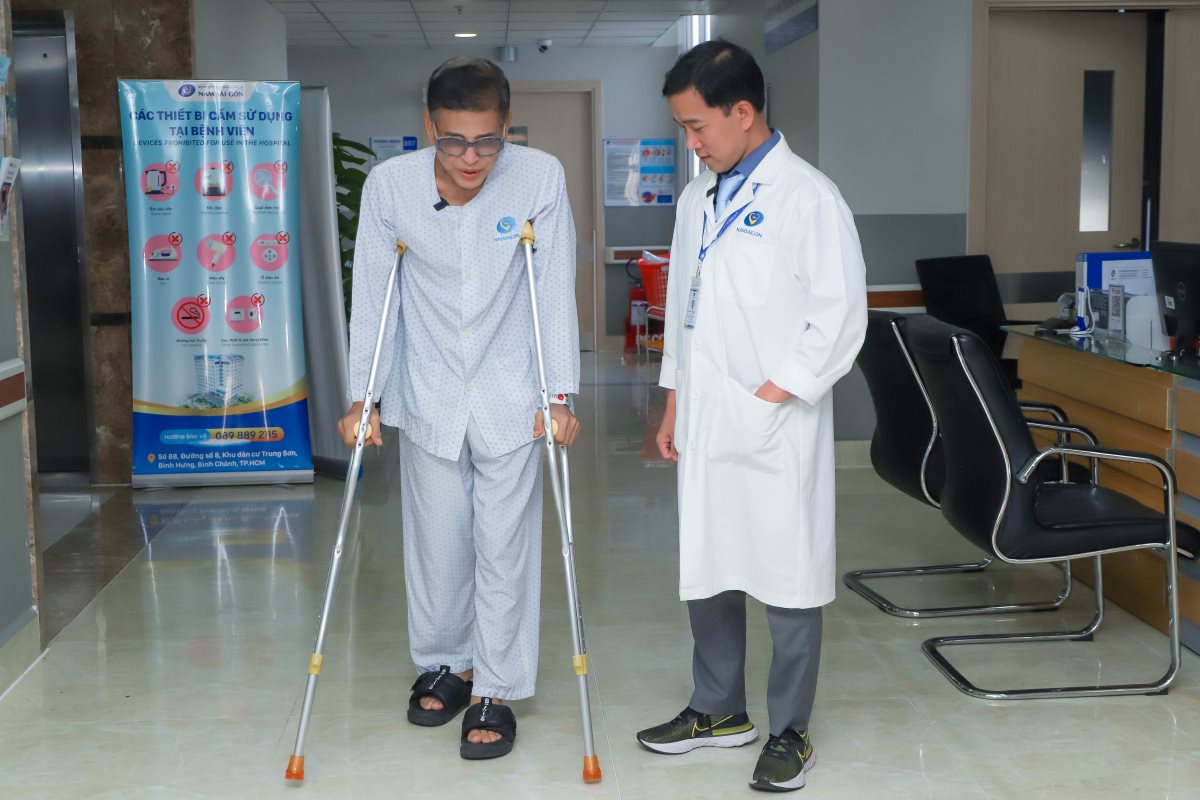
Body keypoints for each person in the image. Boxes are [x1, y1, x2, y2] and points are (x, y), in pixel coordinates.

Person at [635, 40, 867, 792]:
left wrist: (771, 396)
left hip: (775, 422)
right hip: (705, 413)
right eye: (683, 128)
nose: (691, 144)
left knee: (787, 571)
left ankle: (790, 729)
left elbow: (839, 318)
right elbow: (684, 308)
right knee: (709, 559)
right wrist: (675, 399)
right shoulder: (695, 199)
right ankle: (717, 710)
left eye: (697, 126)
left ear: (743, 112)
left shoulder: (809, 198)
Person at [339, 57, 581, 761]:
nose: (470, 158)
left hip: (513, 389)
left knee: (504, 546)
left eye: (486, 141)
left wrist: (558, 394)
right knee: (438, 541)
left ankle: (495, 688)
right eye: (453, 141)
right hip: (430, 384)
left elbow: (553, 289)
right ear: (429, 128)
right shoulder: (391, 187)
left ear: (507, 127)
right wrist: (363, 397)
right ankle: (448, 663)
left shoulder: (539, 178)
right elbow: (373, 298)